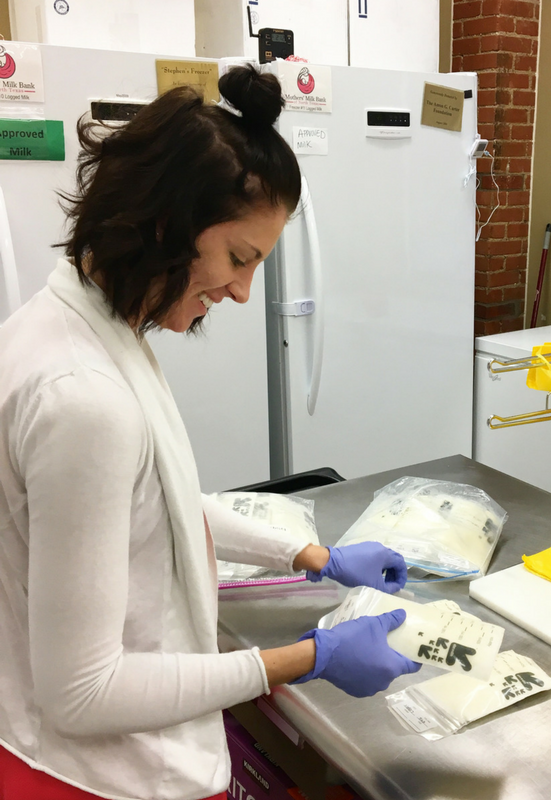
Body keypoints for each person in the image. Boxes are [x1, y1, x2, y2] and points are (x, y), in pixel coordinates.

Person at [0, 65, 419, 800]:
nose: (242, 291)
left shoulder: (84, 327)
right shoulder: (84, 398)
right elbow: (86, 693)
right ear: (167, 224)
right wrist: (307, 658)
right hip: (96, 778)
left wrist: (314, 555)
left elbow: (161, 500)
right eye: (239, 257)